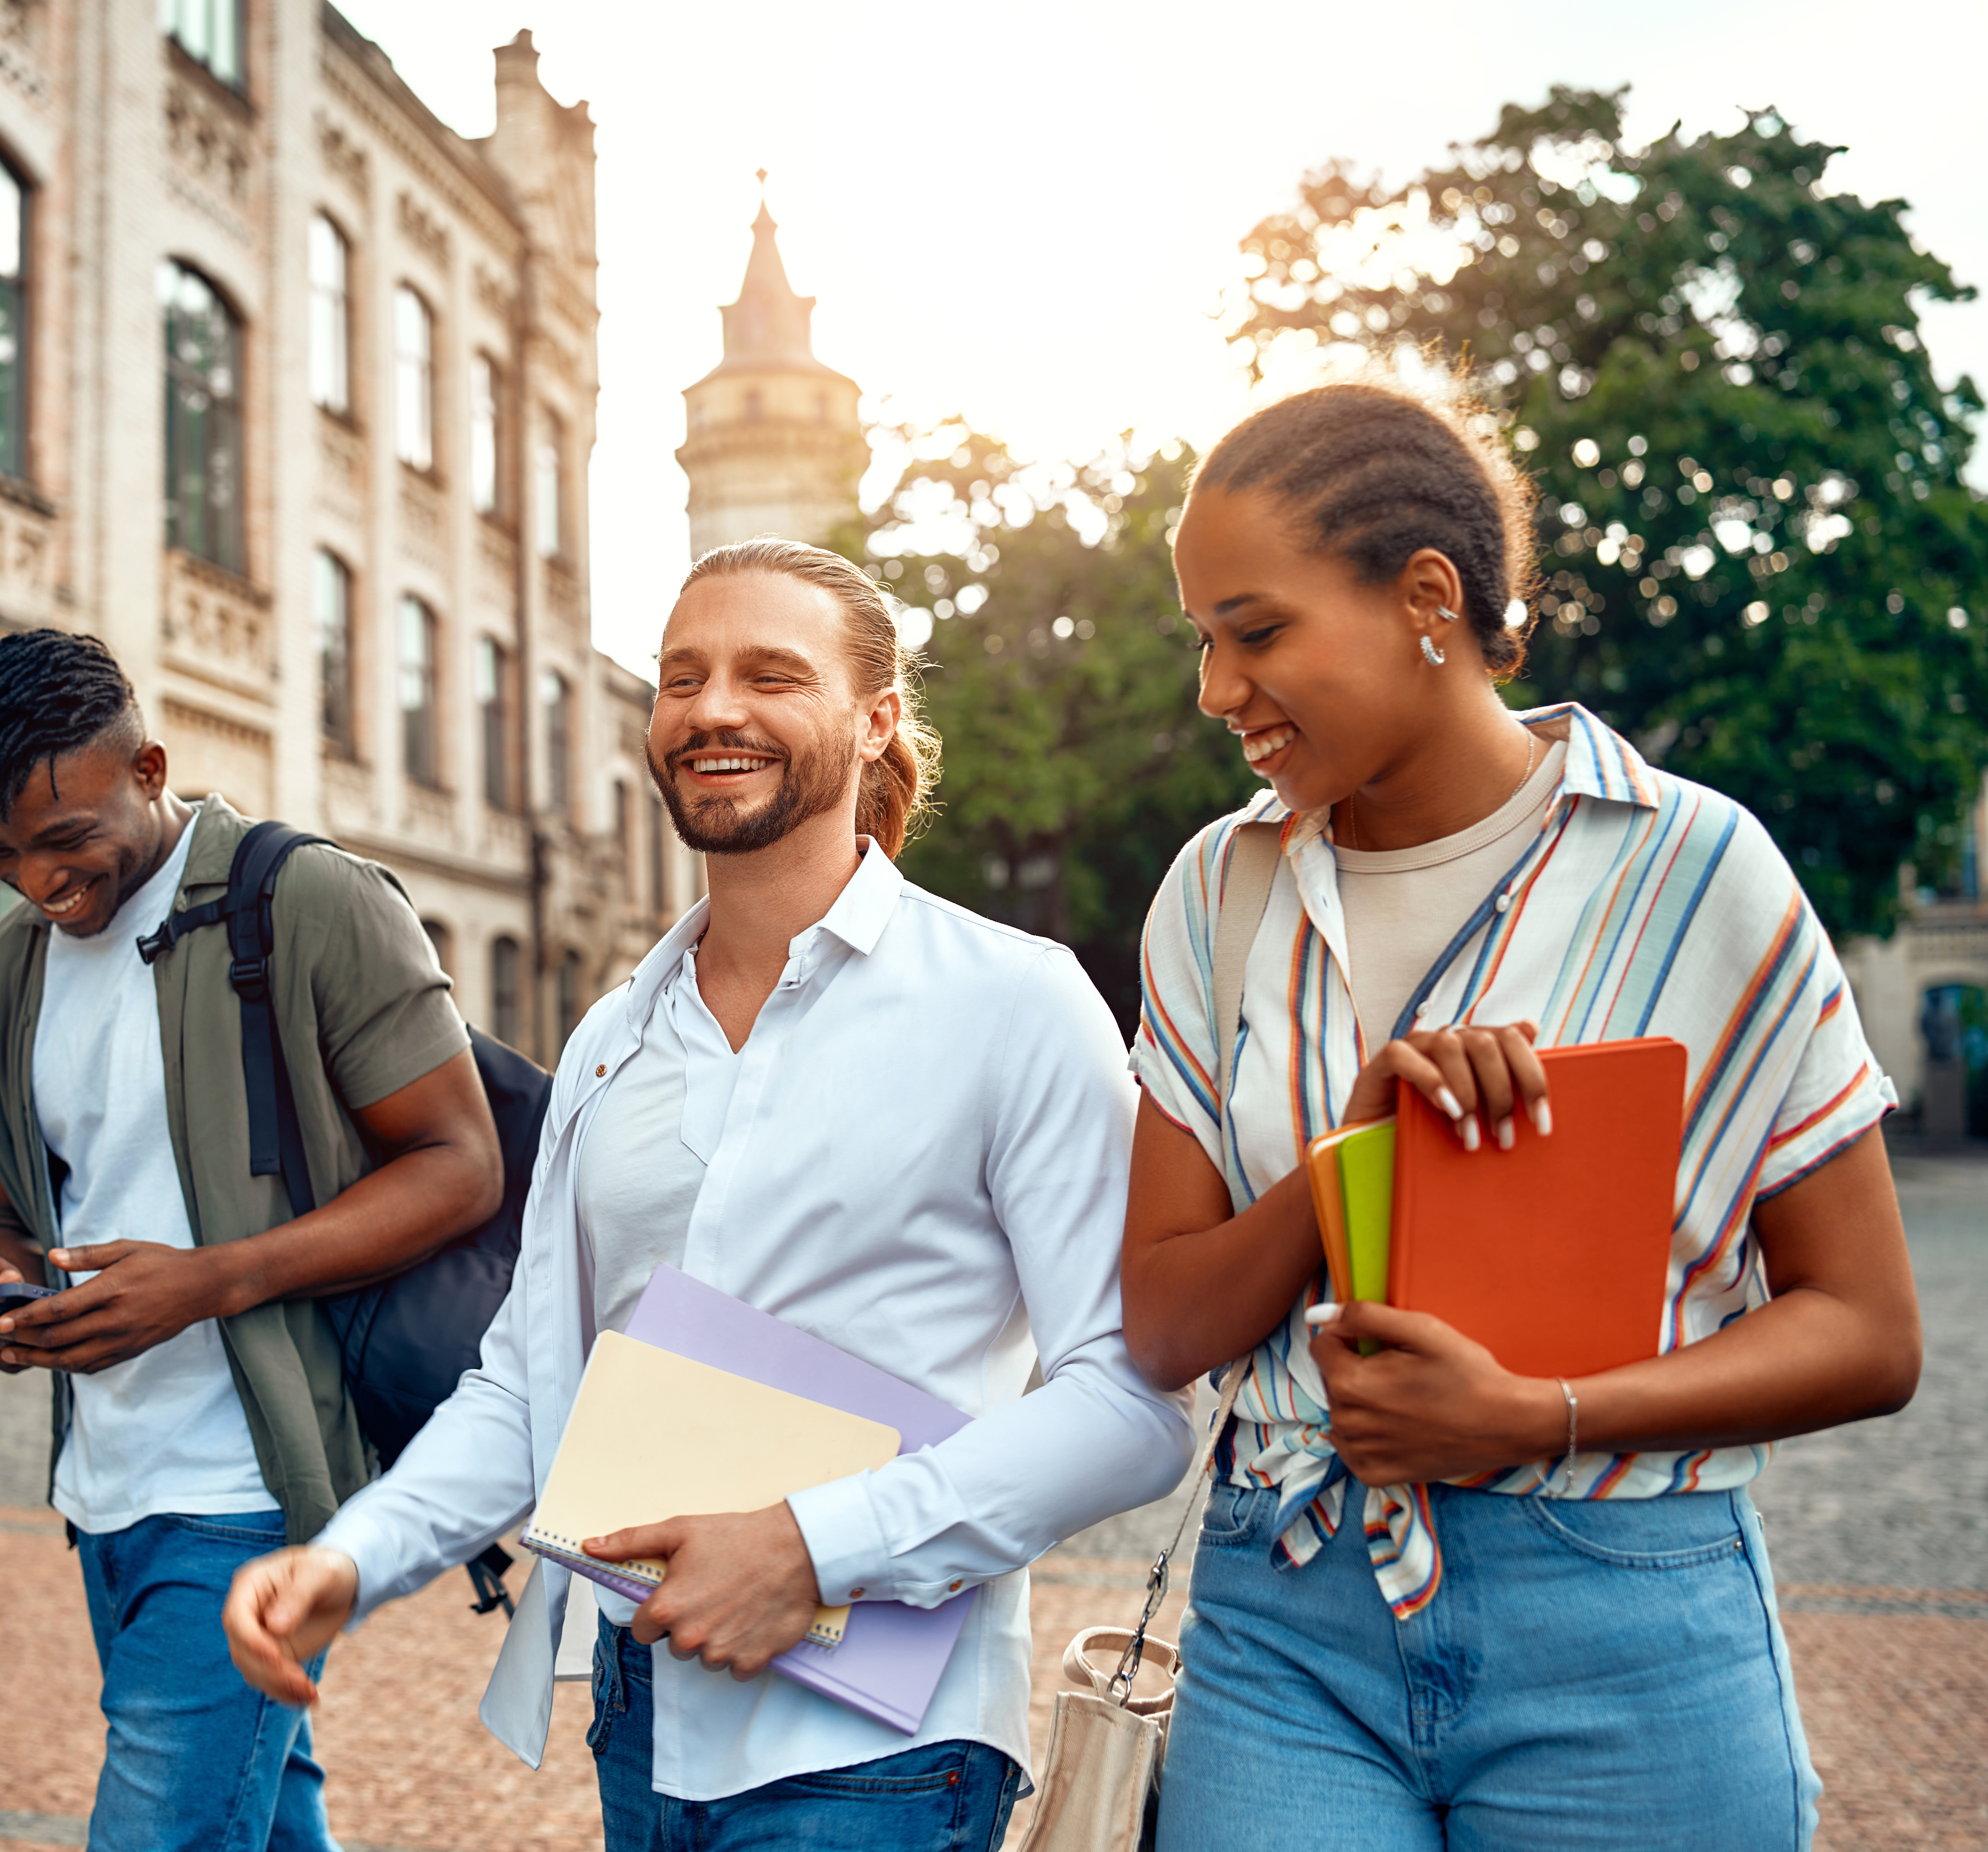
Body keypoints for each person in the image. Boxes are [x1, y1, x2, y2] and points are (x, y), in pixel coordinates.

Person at [222, 539, 1191, 1852]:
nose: (713, 709)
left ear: (876, 721)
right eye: (683, 678)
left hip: (881, 1753)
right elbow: (533, 1382)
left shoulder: (1012, 1003)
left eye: (770, 676)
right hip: (643, 1709)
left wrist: (812, 1545)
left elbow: (1131, 1405)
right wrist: (356, 1555)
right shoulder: (612, 1038)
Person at [1122, 378, 1925, 1851]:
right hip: (1287, 1621)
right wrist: (1351, 1157)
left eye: (1257, 632)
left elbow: (1868, 1332)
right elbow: (1166, 1329)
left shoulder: (1697, 869)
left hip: (1623, 1613)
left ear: (1428, 599)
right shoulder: (1219, 891)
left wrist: (1536, 1417)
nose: (1217, 691)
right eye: (1203, 643)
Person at [0, 628, 504, 1852]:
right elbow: (7, 1212)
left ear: (150, 768)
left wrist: (210, 1283)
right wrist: (2, 1288)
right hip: (104, 1487)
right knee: (265, 1818)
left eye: (66, 839)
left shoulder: (308, 902)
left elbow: (461, 1166)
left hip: (251, 1485)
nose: (38, 882)